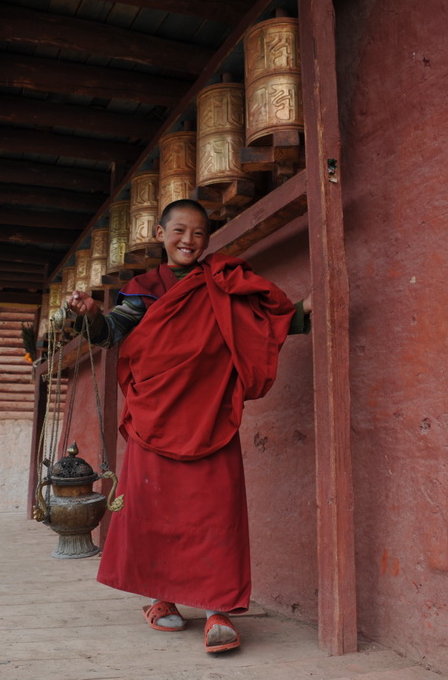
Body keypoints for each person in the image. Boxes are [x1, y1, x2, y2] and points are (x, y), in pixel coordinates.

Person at [66, 199, 311, 653]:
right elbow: (114, 332)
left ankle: (219, 609)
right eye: (179, 230)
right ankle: (163, 600)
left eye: (199, 233)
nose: (188, 241)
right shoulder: (144, 288)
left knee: (216, 515)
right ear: (160, 234)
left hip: (210, 415)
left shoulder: (223, 282)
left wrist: (304, 312)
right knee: (156, 512)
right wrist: (92, 316)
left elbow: (259, 325)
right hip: (154, 416)